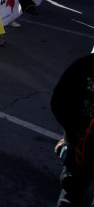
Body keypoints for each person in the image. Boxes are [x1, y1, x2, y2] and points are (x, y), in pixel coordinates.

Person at [50, 52, 94, 206]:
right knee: (70, 193)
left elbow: (58, 102)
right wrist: (74, 131)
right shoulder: (84, 66)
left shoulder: (84, 64)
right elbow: (59, 102)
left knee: (70, 193)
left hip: (79, 144)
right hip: (80, 146)